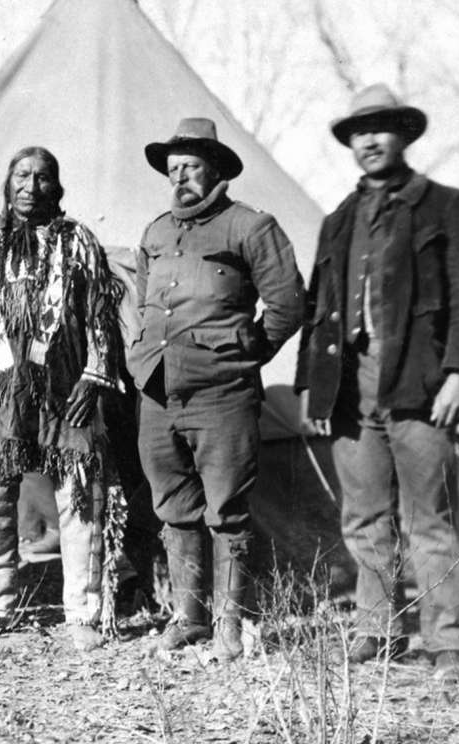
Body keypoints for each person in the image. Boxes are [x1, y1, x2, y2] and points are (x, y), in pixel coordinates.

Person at [296, 84, 459, 684]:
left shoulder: (446, 207)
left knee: (428, 518)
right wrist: (314, 386)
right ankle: (378, 631)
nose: (370, 140)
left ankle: (449, 643)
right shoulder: (338, 221)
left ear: (403, 135)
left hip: (419, 383)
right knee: (362, 517)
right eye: (359, 131)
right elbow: (316, 310)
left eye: (381, 128)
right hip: (349, 388)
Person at [129, 118, 304, 660]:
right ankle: (190, 618)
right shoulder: (156, 232)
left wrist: (243, 355)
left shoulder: (251, 228)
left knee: (225, 510)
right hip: (157, 392)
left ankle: (231, 625)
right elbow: (142, 303)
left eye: (191, 166)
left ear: (216, 170)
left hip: (221, 395)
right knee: (174, 505)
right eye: (172, 167)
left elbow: (289, 304)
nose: (179, 176)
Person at [0, 146, 125, 652]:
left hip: (66, 385)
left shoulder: (79, 242)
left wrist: (94, 379)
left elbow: (100, 313)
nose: (31, 186)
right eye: (22, 176)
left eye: (42, 177)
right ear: (8, 185)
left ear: (58, 186)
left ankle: (83, 611)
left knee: (78, 495)